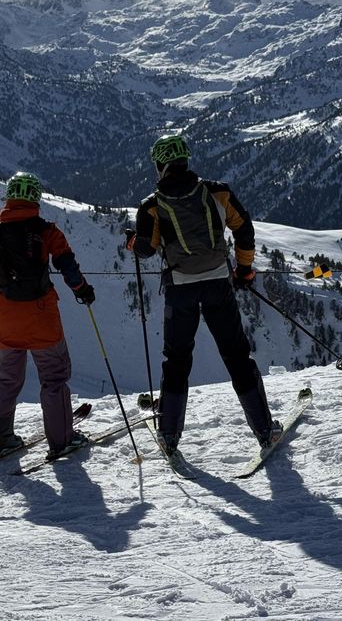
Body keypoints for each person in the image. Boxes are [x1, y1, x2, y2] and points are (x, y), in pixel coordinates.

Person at [127, 133, 281, 454]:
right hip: (218, 284)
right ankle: (265, 430)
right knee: (237, 356)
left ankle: (169, 435)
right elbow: (244, 228)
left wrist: (131, 241)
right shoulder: (218, 192)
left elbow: (146, 250)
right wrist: (243, 269)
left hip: (180, 290)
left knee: (177, 361)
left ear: (161, 166)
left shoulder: (152, 207)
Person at [0, 171, 96, 460]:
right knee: (53, 378)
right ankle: (61, 440)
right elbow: (67, 266)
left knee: (7, 378)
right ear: (36, 198)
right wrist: (83, 290)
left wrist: (6, 286)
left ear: (9, 196)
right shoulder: (47, 231)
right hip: (42, 317)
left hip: (6, 318)